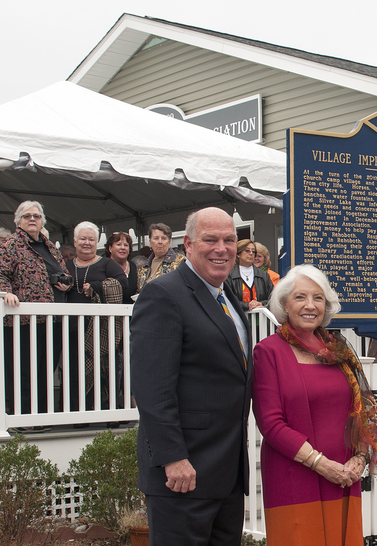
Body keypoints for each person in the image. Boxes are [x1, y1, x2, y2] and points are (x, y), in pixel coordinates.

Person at [131, 207, 252, 546]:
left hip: (226, 476)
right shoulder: (164, 295)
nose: (222, 248)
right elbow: (152, 388)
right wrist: (173, 458)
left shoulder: (227, 294)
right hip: (183, 477)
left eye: (229, 240)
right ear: (188, 244)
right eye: (210, 240)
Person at [252, 264, 377, 546]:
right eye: (300, 297)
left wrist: (359, 459)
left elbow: (361, 410)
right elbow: (271, 425)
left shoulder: (338, 350)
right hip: (295, 477)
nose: (310, 305)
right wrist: (322, 464)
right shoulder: (268, 352)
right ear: (284, 304)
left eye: (318, 298)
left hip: (344, 477)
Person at [0, 201, 69, 414]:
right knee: (23, 369)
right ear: (18, 221)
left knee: (44, 370)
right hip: (22, 319)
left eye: (36, 216)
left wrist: (64, 281)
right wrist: (5, 291)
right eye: (27, 216)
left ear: (43, 221)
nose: (32, 219)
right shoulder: (11, 245)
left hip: (51, 318)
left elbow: (62, 271)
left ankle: (38, 415)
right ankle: (20, 415)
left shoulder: (50, 246)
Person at [64, 221, 128, 410]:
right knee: (74, 371)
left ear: (97, 243)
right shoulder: (65, 265)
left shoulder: (107, 263)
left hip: (101, 329)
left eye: (91, 239)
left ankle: (108, 412)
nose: (87, 243)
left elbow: (122, 285)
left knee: (105, 370)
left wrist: (97, 287)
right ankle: (77, 412)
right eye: (82, 239)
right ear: (75, 242)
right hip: (73, 329)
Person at [226, 239, 273, 311]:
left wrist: (261, 304)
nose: (251, 253)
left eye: (253, 251)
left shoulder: (264, 275)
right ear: (238, 254)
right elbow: (227, 300)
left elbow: (273, 299)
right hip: (238, 319)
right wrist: (246, 305)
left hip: (261, 320)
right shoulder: (229, 276)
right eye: (247, 251)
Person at [137, 223, 184, 293]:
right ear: (150, 242)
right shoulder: (143, 268)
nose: (160, 242)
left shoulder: (180, 261)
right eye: (156, 238)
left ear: (169, 241)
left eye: (164, 238)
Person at [104, 231, 138, 304]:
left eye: (126, 245)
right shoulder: (103, 266)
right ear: (110, 248)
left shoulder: (133, 266)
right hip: (109, 312)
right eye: (118, 244)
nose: (122, 248)